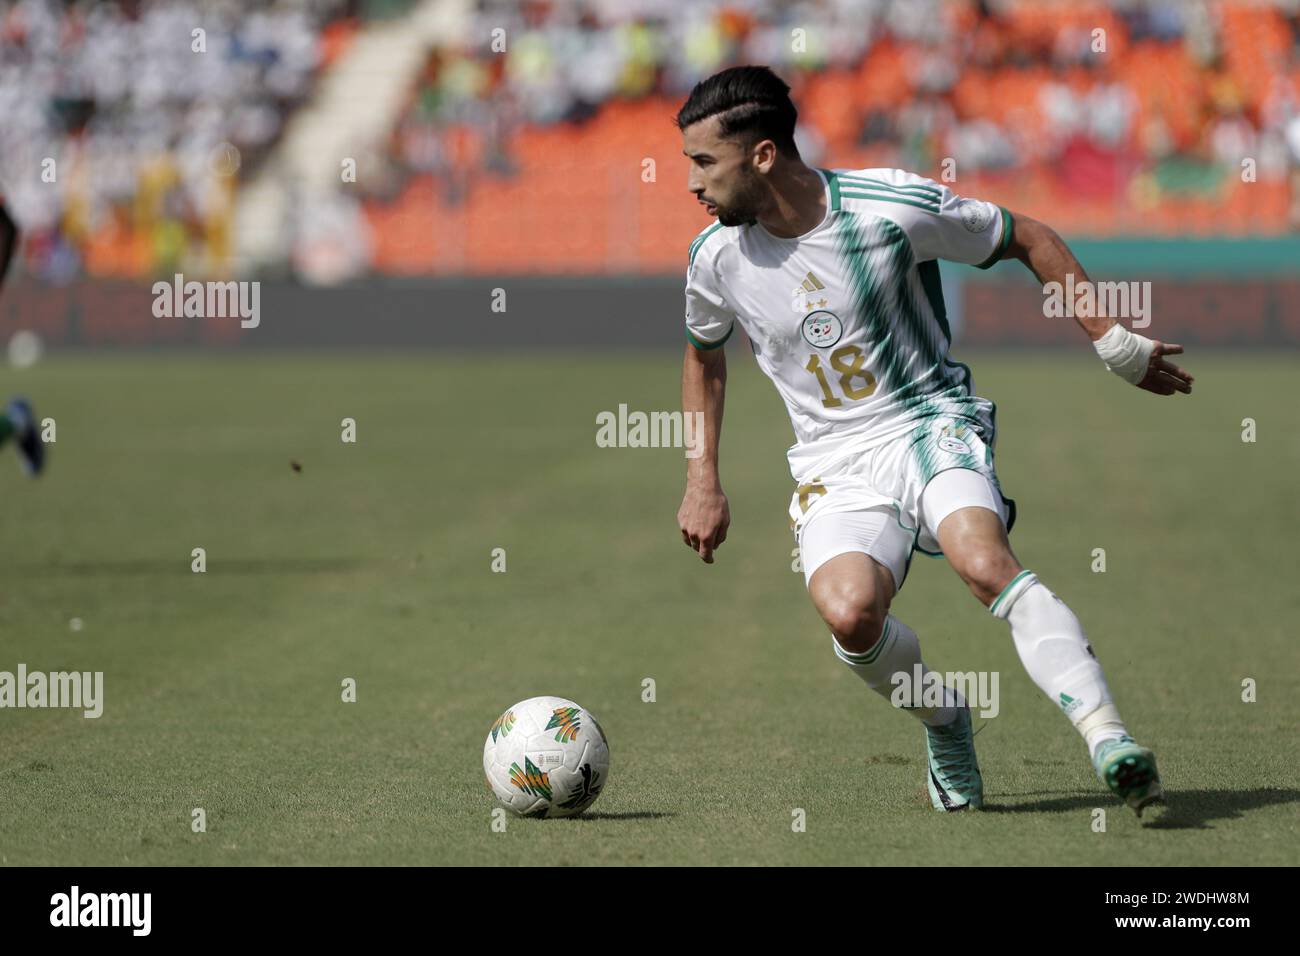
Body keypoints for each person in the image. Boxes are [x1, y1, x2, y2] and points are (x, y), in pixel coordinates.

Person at [675, 66, 1192, 815]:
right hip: (833, 461)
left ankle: (1108, 737)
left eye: (703, 163)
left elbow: (1027, 236)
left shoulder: (888, 207)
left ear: (760, 155)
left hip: (928, 420)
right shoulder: (714, 259)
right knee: (851, 616)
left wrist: (1110, 339)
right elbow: (703, 354)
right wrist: (702, 478)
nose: (691, 183)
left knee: (983, 562)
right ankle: (946, 720)